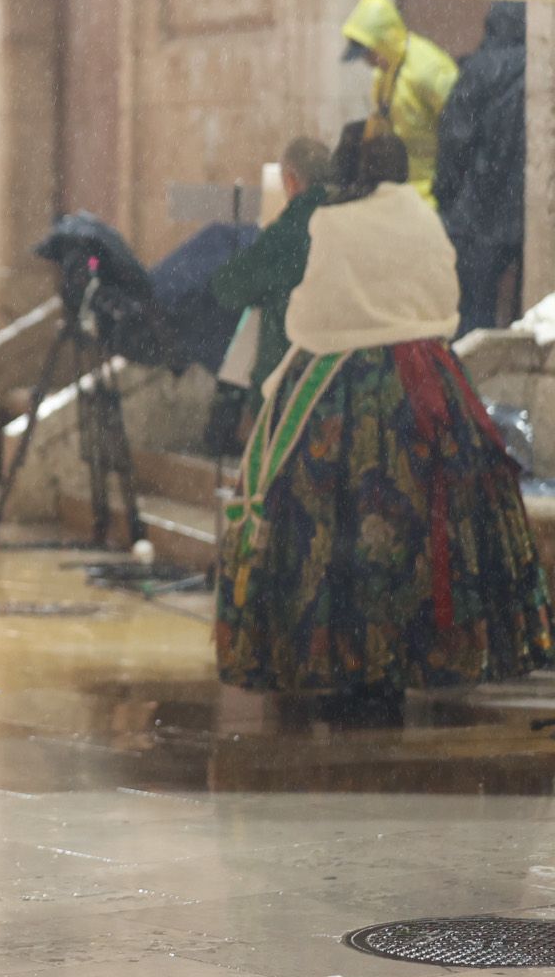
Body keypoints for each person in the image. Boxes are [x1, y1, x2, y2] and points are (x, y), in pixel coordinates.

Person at [215, 131, 552, 713]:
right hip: (426, 384)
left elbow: (313, 313)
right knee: (427, 526)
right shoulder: (423, 217)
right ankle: (418, 655)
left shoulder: (332, 225)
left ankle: (340, 656)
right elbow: (446, 294)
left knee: (333, 526)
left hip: (338, 388)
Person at [206, 137, 337, 450]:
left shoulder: (288, 232)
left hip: (288, 380)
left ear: (291, 181)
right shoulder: (344, 221)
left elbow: (228, 287)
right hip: (337, 380)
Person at [434, 2, 527, 336]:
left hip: (478, 213)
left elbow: (456, 138)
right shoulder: (542, 68)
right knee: (531, 316)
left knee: (473, 315)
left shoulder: (480, 69)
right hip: (527, 214)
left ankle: (473, 384)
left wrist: (444, 193)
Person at [340, 0, 458, 207]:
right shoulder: (385, 72)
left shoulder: (429, 69)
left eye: (369, 52)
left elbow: (461, 129)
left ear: (384, 40)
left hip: (429, 197)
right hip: (398, 194)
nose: (368, 61)